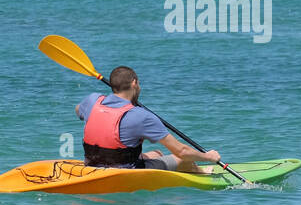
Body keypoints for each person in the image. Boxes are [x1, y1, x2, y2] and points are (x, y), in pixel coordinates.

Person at [76, 67, 219, 172]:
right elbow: (182, 151)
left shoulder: (92, 100)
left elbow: (78, 110)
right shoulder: (141, 116)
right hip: (126, 171)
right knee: (183, 160)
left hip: (92, 165)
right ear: (134, 83)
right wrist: (208, 157)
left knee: (157, 153)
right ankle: (203, 173)